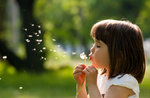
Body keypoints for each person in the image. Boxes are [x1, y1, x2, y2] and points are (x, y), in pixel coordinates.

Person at [73, 19, 146, 98]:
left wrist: (92, 85)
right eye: (94, 43)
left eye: (98, 46)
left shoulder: (123, 82)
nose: (92, 49)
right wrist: (81, 85)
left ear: (118, 55)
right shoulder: (102, 78)